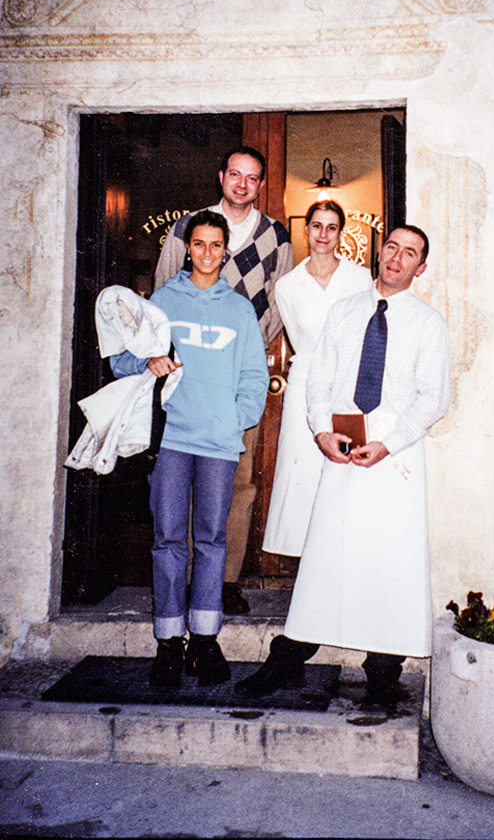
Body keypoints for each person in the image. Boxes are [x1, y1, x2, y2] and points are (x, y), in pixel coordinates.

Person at [237, 225, 451, 708]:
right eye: (391, 247)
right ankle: (289, 659)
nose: (396, 258)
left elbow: (435, 397)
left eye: (409, 253)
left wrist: (390, 443)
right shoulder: (345, 311)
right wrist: (320, 431)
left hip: (394, 459)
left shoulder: (427, 323)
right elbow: (318, 380)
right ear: (381, 254)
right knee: (327, 555)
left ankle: (382, 675)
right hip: (342, 447)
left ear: (421, 267)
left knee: (389, 561)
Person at [112, 210, 268, 687]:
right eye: (198, 244)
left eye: (215, 245)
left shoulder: (240, 310)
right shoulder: (163, 301)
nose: (206, 253)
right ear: (187, 249)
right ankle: (168, 643)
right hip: (173, 441)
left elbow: (254, 377)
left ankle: (204, 639)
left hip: (219, 445)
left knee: (212, 540)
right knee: (168, 539)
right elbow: (121, 360)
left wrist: (233, 421)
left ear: (226, 251)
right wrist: (147, 359)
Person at [154, 147, 293, 614]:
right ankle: (187, 580)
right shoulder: (189, 226)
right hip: (184, 382)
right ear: (221, 177)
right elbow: (158, 299)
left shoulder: (275, 235)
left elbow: (281, 301)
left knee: (235, 483)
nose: (241, 184)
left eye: (251, 178)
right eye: (234, 174)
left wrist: (247, 351)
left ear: (260, 185)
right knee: (178, 489)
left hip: (236, 377)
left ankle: (224, 580)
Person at [262, 201, 372, 557]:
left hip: (349, 381)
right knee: (302, 470)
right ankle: (301, 559)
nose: (323, 234)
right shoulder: (289, 286)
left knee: (344, 466)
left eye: (332, 227)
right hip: (306, 382)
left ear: (341, 233)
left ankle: (342, 554)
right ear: (306, 230)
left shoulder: (359, 278)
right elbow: (299, 341)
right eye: (317, 226)